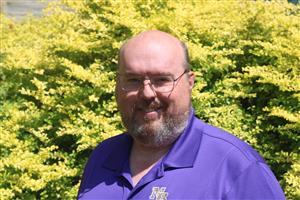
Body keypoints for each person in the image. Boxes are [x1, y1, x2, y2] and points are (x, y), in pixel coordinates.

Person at [78, 30, 285, 199]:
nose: (147, 93)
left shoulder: (236, 168)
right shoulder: (103, 157)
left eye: (162, 80)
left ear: (189, 82)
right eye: (133, 80)